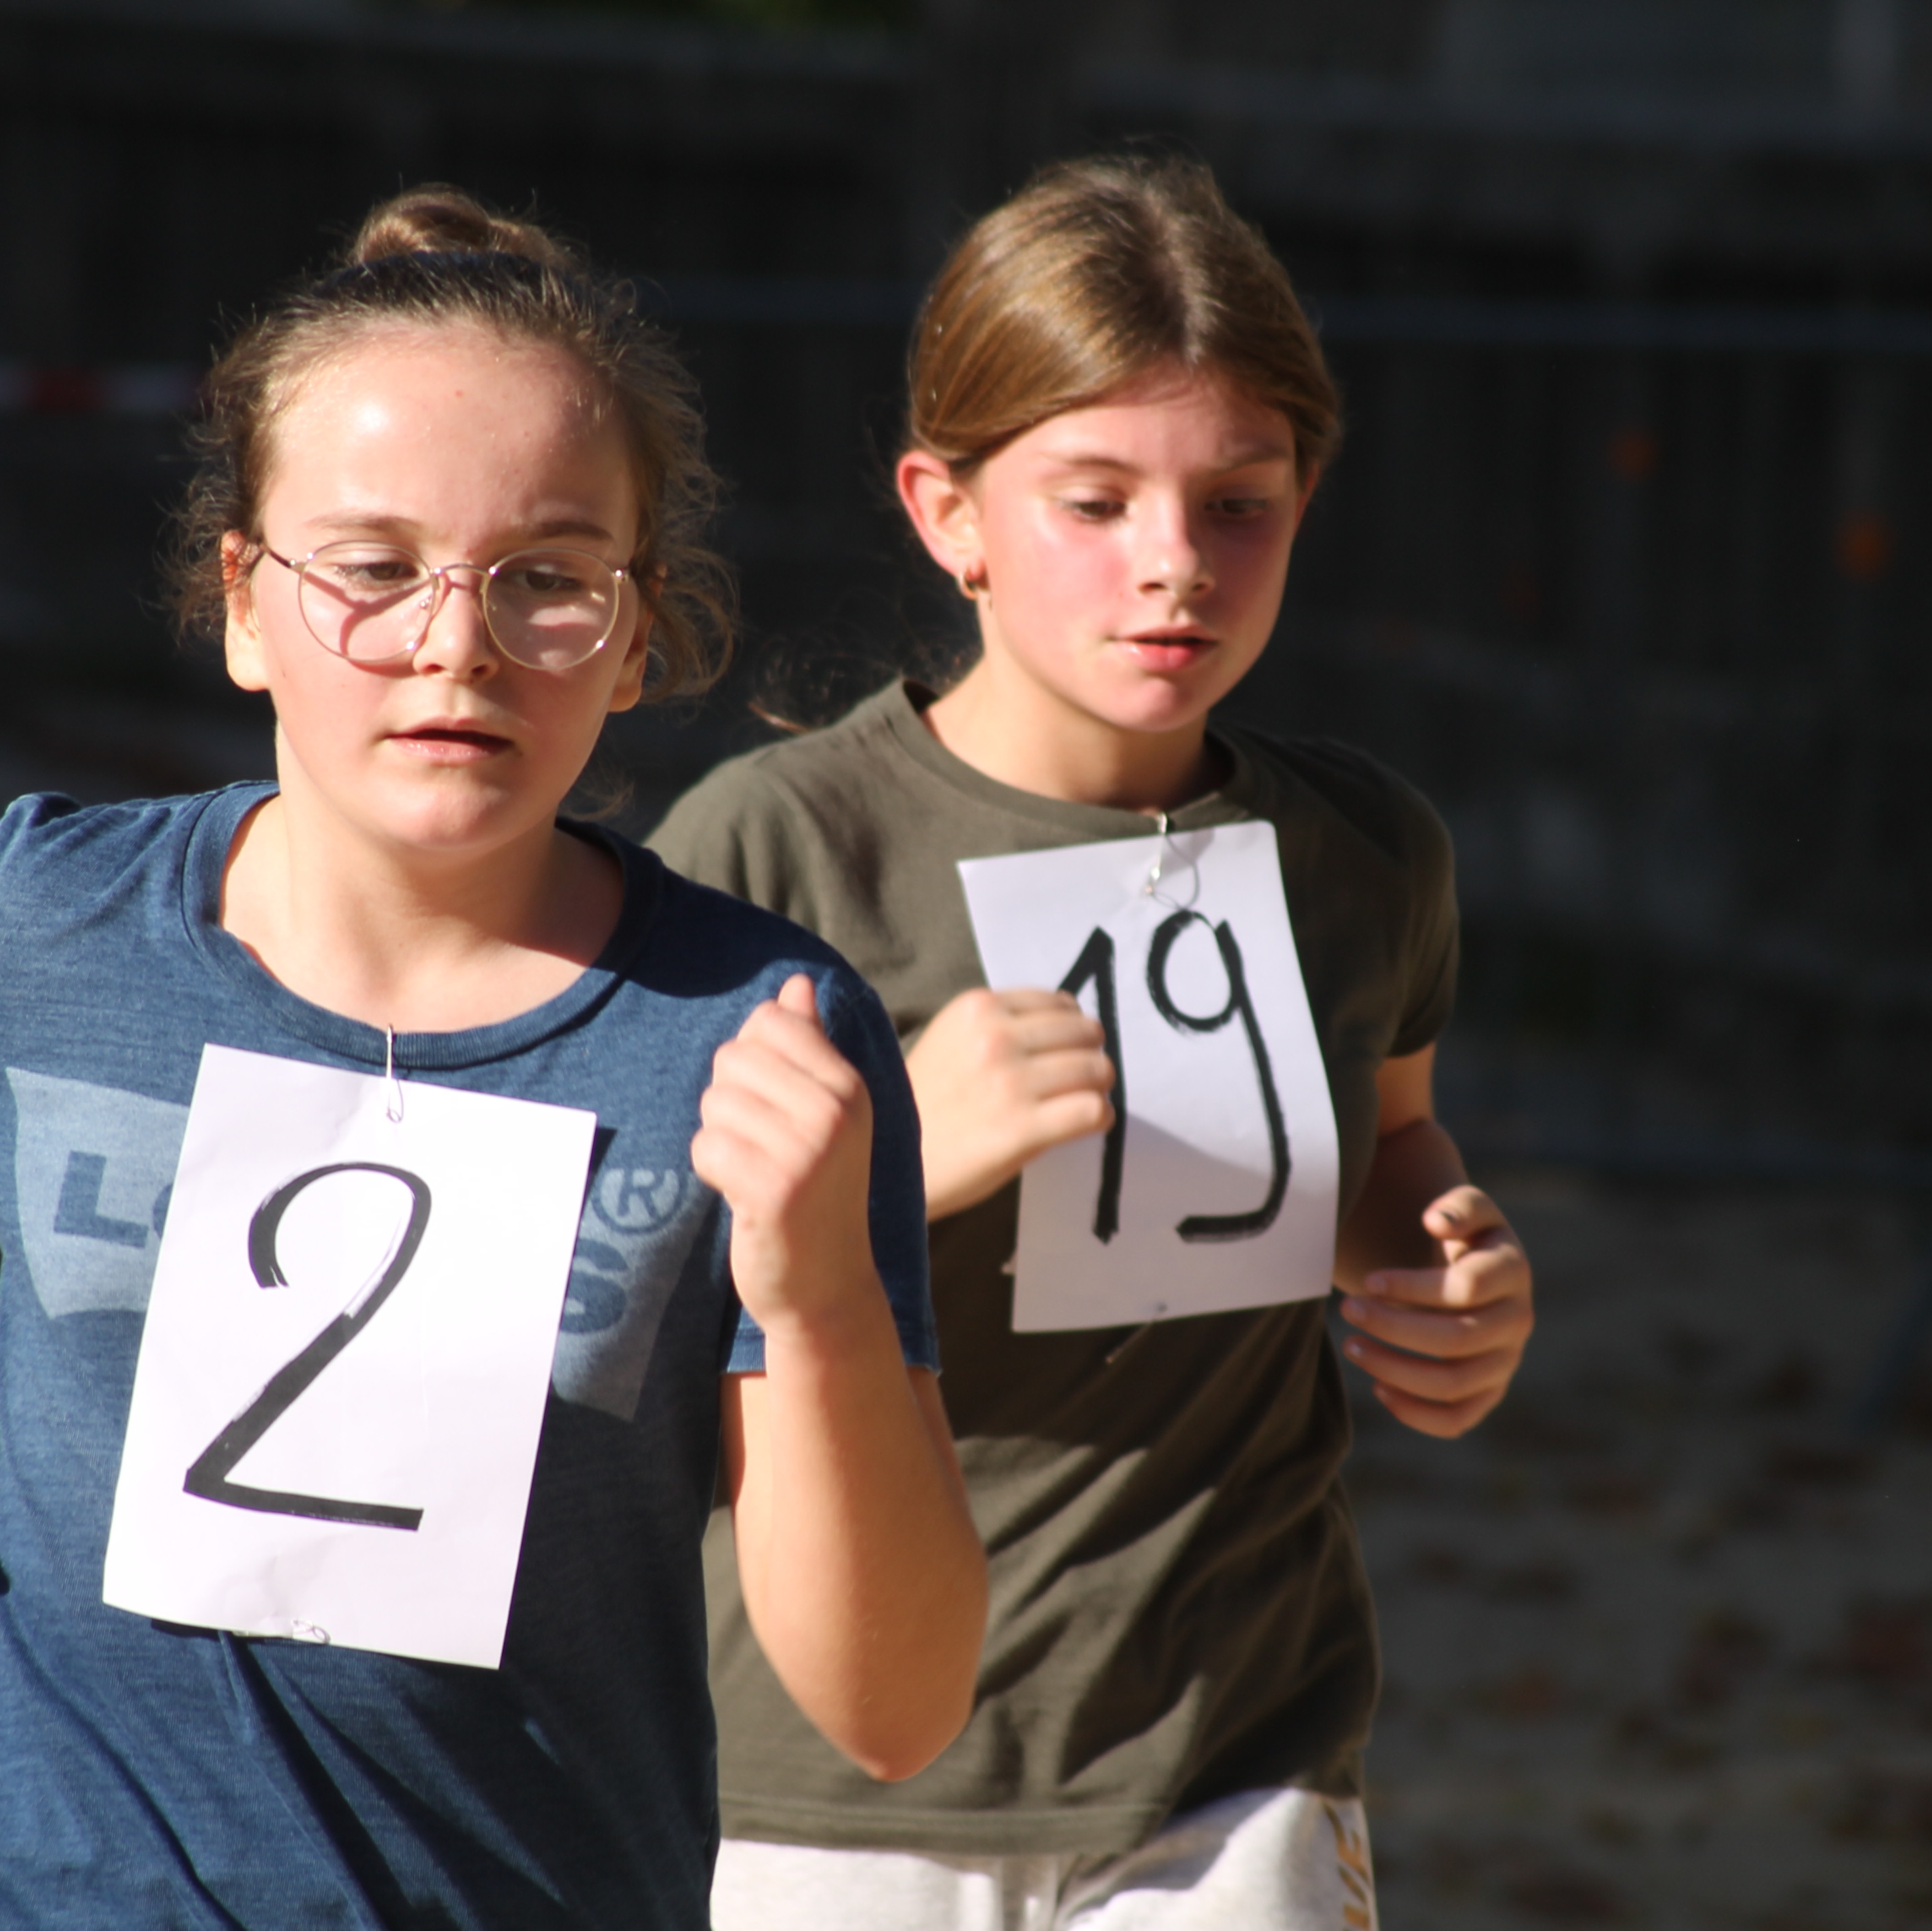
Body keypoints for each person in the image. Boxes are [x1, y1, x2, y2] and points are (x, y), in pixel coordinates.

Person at [0, 187, 984, 1930]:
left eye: (548, 578)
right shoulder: (34, 922)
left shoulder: (757, 1038)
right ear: (241, 603)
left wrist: (820, 1305)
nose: (455, 640)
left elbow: (894, 1708)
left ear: (640, 628)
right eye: (371, 566)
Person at [653, 154, 1537, 1928]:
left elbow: (1387, 1146)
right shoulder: (770, 854)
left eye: (1240, 503)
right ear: (948, 512)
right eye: (1094, 500)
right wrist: (891, 1157)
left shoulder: (1366, 850)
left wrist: (1444, 1267)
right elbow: (607, 1294)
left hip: (1238, 1755)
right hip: (822, 1784)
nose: (1175, 564)